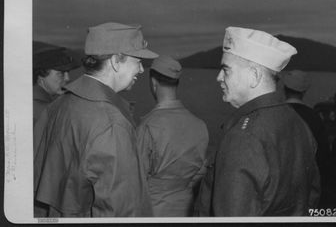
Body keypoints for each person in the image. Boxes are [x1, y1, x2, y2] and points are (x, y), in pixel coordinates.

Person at [34, 22, 158, 217]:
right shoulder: (112, 123)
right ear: (116, 61)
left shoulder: (60, 104)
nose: (142, 69)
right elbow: (123, 211)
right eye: (138, 61)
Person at [196, 27, 320, 216]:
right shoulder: (299, 124)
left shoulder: (244, 138)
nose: (218, 77)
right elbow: (311, 198)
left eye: (226, 70)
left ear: (254, 76)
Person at [137, 55, 209, 217]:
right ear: (176, 83)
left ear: (153, 83)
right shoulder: (200, 125)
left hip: (153, 209)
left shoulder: (148, 126)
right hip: (186, 208)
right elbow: (200, 173)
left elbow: (137, 178)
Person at [281, 70, 330, 207]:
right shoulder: (314, 117)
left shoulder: (275, 114)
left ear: (284, 89)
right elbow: (323, 156)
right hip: (307, 184)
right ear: (304, 92)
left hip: (280, 183)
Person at [33, 47, 79, 124]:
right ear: (41, 75)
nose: (67, 78)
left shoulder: (42, 101)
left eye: (68, 72)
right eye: (61, 73)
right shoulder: (42, 108)